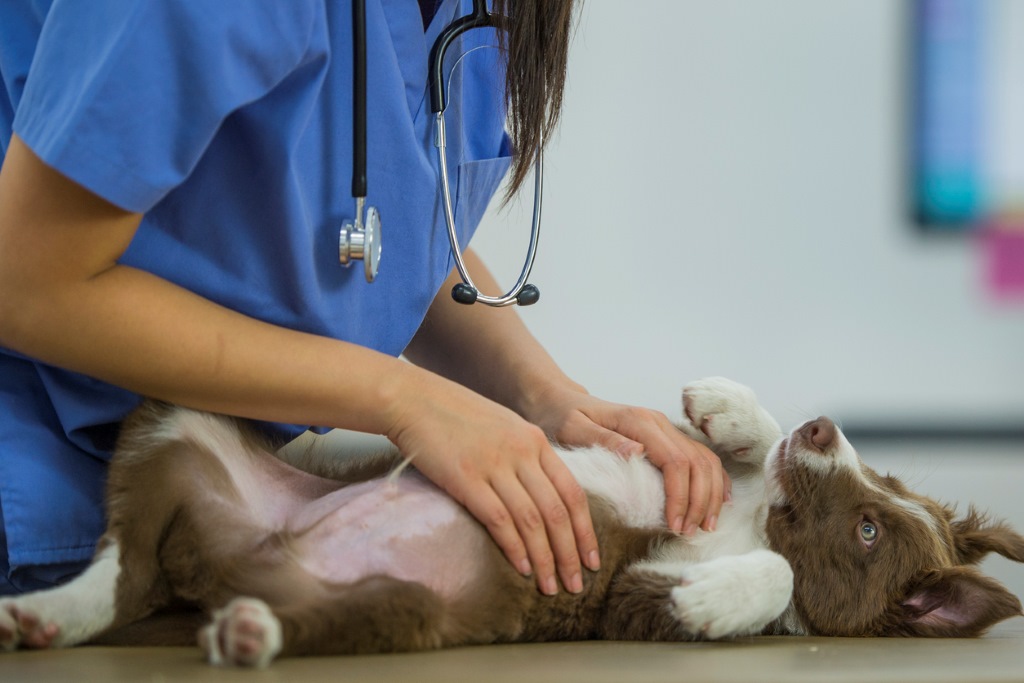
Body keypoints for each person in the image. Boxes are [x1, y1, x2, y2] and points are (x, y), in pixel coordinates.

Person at [0, 0, 728, 599]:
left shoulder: (472, 14)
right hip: (43, 492)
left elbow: (376, 226)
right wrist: (398, 396)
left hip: (217, 513)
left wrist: (543, 395)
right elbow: (29, 282)